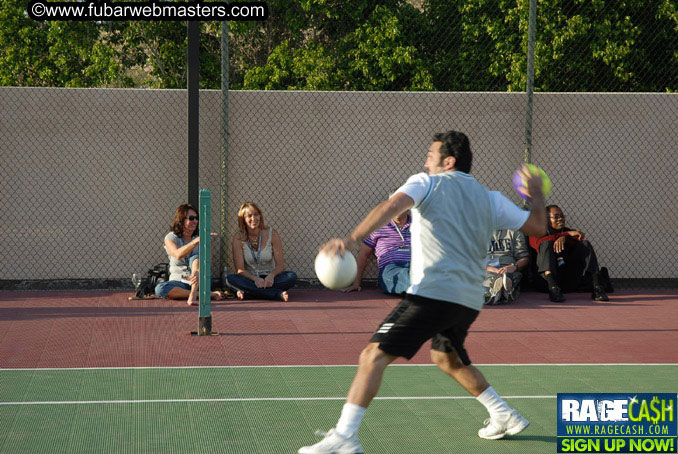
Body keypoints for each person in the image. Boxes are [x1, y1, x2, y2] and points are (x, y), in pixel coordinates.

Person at [298, 131, 547, 454]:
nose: (425, 160)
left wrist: (353, 238)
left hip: (432, 293)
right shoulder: (492, 199)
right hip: (469, 300)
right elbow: (539, 228)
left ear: (449, 161)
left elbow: (392, 205)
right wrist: (537, 194)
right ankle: (503, 414)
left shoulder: (426, 182)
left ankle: (345, 436)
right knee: (447, 358)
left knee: (372, 357)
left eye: (430, 155)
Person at [529, 204, 611, 303]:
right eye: (556, 217)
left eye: (562, 216)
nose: (560, 219)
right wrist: (565, 235)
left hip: (568, 281)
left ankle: (598, 287)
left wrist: (565, 237)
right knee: (546, 244)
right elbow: (538, 243)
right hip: (545, 283)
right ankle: (553, 289)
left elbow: (580, 235)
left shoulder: (567, 232)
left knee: (585, 244)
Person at [225, 202, 297, 302]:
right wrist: (255, 279)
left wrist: (271, 276)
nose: (254, 219)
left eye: (256, 214)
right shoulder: (238, 237)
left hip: (271, 278)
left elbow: (280, 266)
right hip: (251, 279)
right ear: (243, 220)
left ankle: (249, 294)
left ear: (260, 216)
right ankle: (275, 294)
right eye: (249, 216)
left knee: (291, 277)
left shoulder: (272, 233)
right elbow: (240, 270)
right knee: (230, 279)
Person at [155, 204, 224, 306]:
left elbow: (207, 264)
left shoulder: (200, 237)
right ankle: (204, 295)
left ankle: (193, 293)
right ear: (181, 219)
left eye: (196, 218)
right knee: (160, 289)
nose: (195, 221)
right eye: (191, 218)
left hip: (200, 280)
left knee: (196, 258)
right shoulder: (171, 238)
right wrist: (194, 243)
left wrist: (209, 245)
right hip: (179, 283)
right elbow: (177, 254)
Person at [342, 205, 411, 295]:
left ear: (408, 206)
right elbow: (363, 254)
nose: (396, 208)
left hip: (416, 266)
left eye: (398, 203)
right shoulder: (378, 226)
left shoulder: (419, 225)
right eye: (392, 206)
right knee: (405, 276)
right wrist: (356, 283)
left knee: (419, 274)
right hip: (391, 268)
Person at [483, 228, 529, 305]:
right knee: (487, 276)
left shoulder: (515, 231)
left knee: (509, 277)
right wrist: (490, 268)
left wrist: (514, 267)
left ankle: (497, 291)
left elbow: (524, 259)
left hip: (509, 269)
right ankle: (502, 291)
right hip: (487, 269)